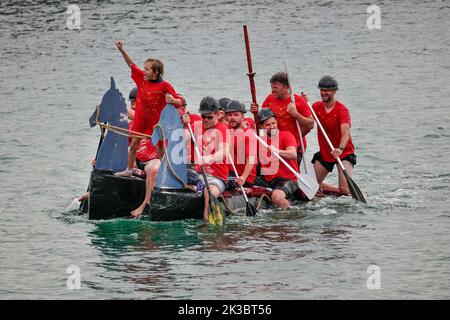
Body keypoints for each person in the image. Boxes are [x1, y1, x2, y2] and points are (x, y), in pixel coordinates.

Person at [114, 40, 184, 176]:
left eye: (147, 69)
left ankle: (165, 172)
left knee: (159, 146)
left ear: (156, 72)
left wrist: (174, 100)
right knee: (134, 143)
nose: (143, 71)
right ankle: (129, 170)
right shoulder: (142, 78)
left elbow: (180, 102)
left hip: (156, 122)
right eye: (144, 68)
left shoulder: (165, 86)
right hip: (141, 118)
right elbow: (131, 64)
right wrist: (122, 50)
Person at [250, 72, 314, 163]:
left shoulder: (297, 100)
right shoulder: (269, 99)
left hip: (293, 146)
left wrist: (296, 114)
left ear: (286, 87)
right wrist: (255, 113)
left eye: (275, 88)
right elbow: (262, 122)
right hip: (274, 144)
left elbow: (311, 124)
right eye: (271, 87)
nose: (272, 91)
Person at [184, 97, 230, 221]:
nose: (206, 120)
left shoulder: (223, 129)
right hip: (198, 173)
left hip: (217, 177)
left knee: (209, 193)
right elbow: (181, 138)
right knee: (174, 170)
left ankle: (207, 223)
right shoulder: (197, 125)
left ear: (218, 115)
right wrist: (183, 123)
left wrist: (208, 158)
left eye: (210, 117)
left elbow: (224, 152)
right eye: (203, 116)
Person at [311, 76, 357, 195]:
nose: (323, 93)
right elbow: (308, 121)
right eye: (321, 90)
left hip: (344, 153)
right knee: (310, 186)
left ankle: (345, 191)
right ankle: (327, 190)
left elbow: (345, 133)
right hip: (326, 152)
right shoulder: (316, 107)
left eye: (327, 90)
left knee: (345, 190)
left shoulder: (342, 110)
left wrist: (340, 148)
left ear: (334, 91)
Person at [254, 109, 299, 208]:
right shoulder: (261, 138)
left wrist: (277, 151)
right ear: (262, 127)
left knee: (276, 197)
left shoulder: (286, 135)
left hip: (288, 180)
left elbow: (293, 154)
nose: (272, 127)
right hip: (268, 181)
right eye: (268, 125)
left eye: (273, 123)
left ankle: (291, 214)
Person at [224, 99, 257, 190]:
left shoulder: (248, 134)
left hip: (243, 177)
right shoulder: (228, 131)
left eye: (236, 115)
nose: (232, 117)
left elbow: (250, 160)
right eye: (230, 115)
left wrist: (243, 177)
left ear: (242, 116)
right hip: (230, 173)